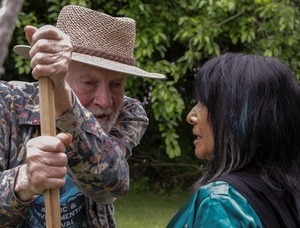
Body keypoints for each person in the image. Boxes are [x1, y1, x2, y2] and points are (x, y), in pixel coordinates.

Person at [1, 4, 165, 228]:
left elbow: (111, 184)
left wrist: (65, 105)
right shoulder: (7, 104)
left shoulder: (129, 113)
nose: (105, 101)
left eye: (116, 84)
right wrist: (23, 182)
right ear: (56, 75)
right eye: (89, 83)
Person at [167, 53, 300, 227]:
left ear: (242, 117)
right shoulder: (287, 193)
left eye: (203, 103)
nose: (191, 116)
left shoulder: (221, 201)